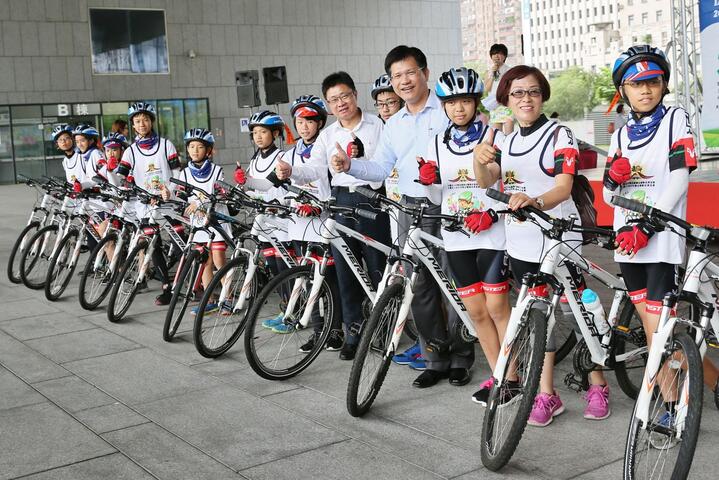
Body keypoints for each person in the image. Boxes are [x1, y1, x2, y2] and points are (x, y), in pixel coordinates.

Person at [473, 65, 611, 426]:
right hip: (521, 243)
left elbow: (564, 187)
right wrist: (479, 160)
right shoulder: (504, 139)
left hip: (559, 238)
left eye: (533, 91)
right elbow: (488, 182)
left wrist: (534, 201)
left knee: (578, 313)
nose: (526, 99)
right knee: (539, 319)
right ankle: (547, 394)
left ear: (542, 96)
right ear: (506, 99)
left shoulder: (559, 133)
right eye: (517, 93)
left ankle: (598, 383)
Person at [330, 46, 475, 387]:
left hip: (448, 204)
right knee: (418, 282)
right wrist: (350, 165)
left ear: (424, 72)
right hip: (410, 207)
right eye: (397, 76)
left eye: (409, 73)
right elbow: (381, 167)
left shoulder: (446, 112)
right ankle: (434, 357)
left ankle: (461, 357)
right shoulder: (393, 124)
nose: (404, 81)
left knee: (453, 281)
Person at [603, 45, 719, 414]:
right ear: (624, 91)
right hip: (629, 242)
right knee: (654, 333)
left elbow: (680, 178)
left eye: (653, 81)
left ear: (663, 84)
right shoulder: (620, 135)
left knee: (662, 333)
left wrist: (650, 222)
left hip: (661, 239)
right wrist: (612, 177)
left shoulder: (675, 118)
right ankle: (680, 395)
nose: (646, 90)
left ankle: (682, 401)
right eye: (636, 84)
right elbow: (609, 196)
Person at [274, 71, 390, 360]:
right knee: (346, 269)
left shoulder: (378, 126)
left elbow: (388, 164)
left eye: (345, 96)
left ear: (355, 95)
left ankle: (383, 328)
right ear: (328, 105)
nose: (341, 103)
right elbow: (315, 169)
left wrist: (358, 161)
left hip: (374, 198)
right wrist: (292, 172)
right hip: (341, 201)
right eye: (334, 100)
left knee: (378, 267)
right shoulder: (328, 135)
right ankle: (353, 333)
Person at [420, 67, 511, 403]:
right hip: (456, 236)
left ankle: (513, 375)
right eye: (452, 102)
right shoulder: (435, 143)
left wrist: (491, 213)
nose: (459, 108)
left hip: (492, 234)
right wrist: (429, 182)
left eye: (466, 101)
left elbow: (505, 183)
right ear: (444, 105)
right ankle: (497, 376)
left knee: (498, 307)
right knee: (475, 312)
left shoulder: (494, 137)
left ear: (476, 103)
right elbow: (435, 198)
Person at [280, 94, 343, 351]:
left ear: (319, 122)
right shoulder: (290, 152)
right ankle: (318, 331)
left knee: (329, 281)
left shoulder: (328, 146)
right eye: (300, 121)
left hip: (323, 223)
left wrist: (319, 204)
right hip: (298, 223)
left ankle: (335, 330)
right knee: (306, 279)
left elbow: (325, 179)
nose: (304, 126)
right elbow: (285, 187)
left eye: (309, 120)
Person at [116, 102, 181, 305]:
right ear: (133, 125)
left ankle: (190, 278)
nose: (141, 123)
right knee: (155, 246)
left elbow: (177, 172)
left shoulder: (165, 144)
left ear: (151, 121)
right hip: (145, 204)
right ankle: (167, 287)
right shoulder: (131, 151)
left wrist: (169, 190)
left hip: (168, 201)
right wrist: (118, 178)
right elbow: (122, 177)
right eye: (137, 121)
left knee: (181, 243)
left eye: (145, 119)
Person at [170, 128, 229, 315]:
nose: (195, 150)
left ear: (208, 150)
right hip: (198, 224)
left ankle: (227, 298)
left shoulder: (217, 171)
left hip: (216, 222)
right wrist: (168, 194)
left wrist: (199, 201)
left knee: (219, 259)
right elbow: (180, 196)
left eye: (200, 146)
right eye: (191, 146)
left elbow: (217, 194)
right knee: (204, 262)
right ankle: (209, 300)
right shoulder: (184, 173)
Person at [482, 44, 514, 135]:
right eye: (494, 53)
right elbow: (487, 89)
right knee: (497, 135)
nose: (496, 56)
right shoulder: (488, 72)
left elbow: (512, 87)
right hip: (495, 106)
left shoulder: (510, 71)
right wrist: (492, 73)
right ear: (491, 56)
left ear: (504, 56)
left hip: (506, 104)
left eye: (500, 53)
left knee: (509, 135)